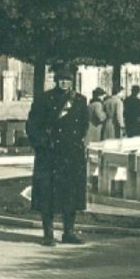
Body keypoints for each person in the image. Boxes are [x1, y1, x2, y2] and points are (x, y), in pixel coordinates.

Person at [27, 77, 90, 246]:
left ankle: (69, 232)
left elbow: (84, 125)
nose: (64, 82)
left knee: (71, 193)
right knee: (47, 194)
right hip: (50, 154)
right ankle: (48, 234)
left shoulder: (80, 100)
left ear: (72, 81)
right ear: (56, 80)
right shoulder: (44, 99)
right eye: (61, 79)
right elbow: (32, 125)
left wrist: (76, 142)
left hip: (71, 155)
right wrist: (42, 144)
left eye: (68, 79)